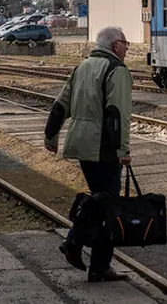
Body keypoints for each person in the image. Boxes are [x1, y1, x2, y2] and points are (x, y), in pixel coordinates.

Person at [43, 25, 133, 283]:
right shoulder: (117, 70)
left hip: (81, 144)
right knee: (109, 205)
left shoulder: (82, 67)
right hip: (103, 147)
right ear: (115, 45)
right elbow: (117, 115)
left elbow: (60, 105)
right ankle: (79, 246)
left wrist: (51, 137)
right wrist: (123, 150)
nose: (127, 48)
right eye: (125, 43)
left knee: (101, 200)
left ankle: (96, 263)